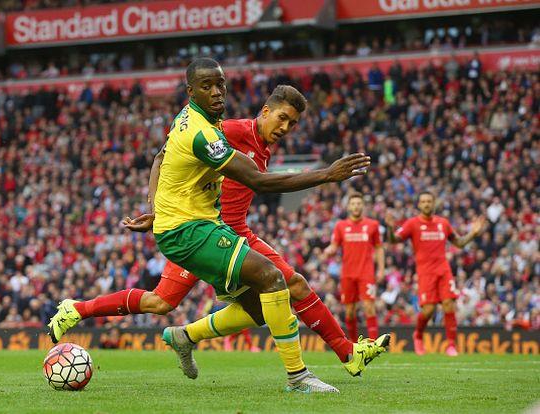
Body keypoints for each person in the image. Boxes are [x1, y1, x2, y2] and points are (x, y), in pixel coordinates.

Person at [50, 58, 387, 393]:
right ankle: (312, 370)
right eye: (282, 118)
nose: (286, 128)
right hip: (200, 231)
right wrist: (327, 174)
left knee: (239, 305)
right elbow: (235, 175)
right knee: (273, 282)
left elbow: (167, 158)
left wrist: (156, 210)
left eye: (293, 123)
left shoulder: (221, 129)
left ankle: (169, 332)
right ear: (265, 111)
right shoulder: (225, 131)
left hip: (213, 229)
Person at [385, 191, 485, 356]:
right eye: (423, 201)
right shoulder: (412, 223)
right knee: (428, 310)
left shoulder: (443, 223)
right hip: (425, 273)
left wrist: (473, 234)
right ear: (419, 204)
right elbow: (393, 240)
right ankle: (418, 335)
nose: (426, 204)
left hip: (443, 270)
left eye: (429, 201)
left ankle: (451, 345)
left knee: (449, 305)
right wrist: (390, 228)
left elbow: (459, 243)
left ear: (434, 204)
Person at [324, 192, 384, 342]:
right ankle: (354, 344)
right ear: (348, 207)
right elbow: (334, 245)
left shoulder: (372, 225)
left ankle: (374, 344)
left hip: (366, 272)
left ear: (363, 206)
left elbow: (379, 248)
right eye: (353, 204)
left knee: (369, 307)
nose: (356, 206)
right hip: (347, 273)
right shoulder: (341, 226)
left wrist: (381, 269)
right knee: (350, 311)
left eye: (358, 203)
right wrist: (329, 250)